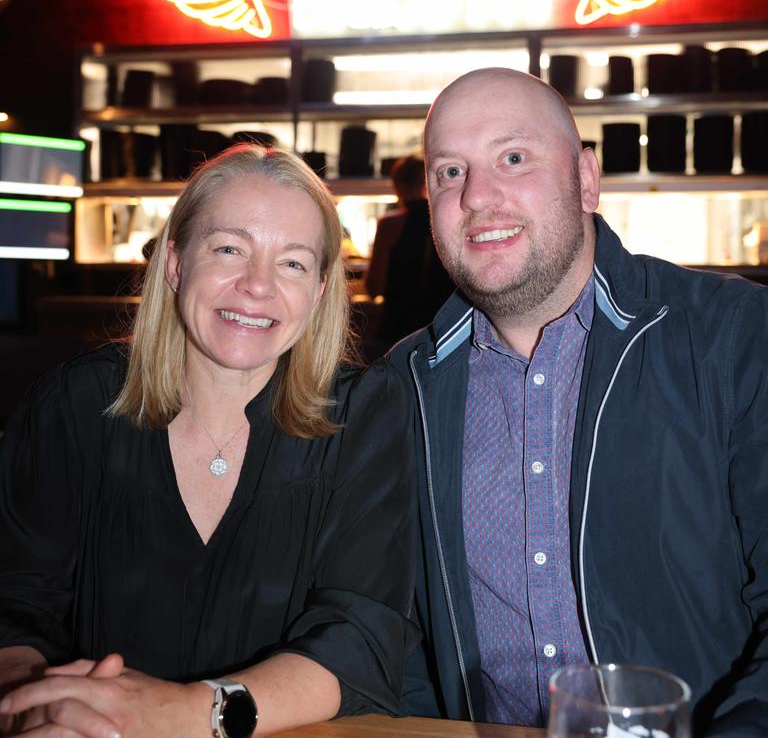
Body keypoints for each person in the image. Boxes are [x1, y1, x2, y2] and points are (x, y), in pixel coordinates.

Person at [389, 68, 768, 737]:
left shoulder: (732, 336)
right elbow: (396, 628)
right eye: (450, 172)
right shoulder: (403, 386)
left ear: (585, 180)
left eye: (513, 158)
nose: (478, 196)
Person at [0, 144, 416, 738]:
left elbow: (363, 641)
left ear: (322, 289)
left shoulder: (364, 415)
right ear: (174, 262)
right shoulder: (73, 404)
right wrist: (45, 707)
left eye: (293, 263)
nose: (257, 286)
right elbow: (15, 604)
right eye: (229, 249)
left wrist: (185, 712)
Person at [365, 155, 453, 344]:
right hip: (444, 330)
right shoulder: (448, 223)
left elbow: (374, 287)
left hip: (398, 331)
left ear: (398, 186)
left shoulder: (390, 225)